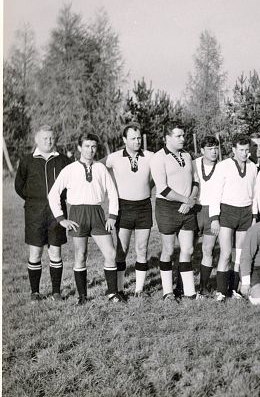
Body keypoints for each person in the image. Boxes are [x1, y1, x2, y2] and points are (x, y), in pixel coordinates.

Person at [48, 133, 121, 304]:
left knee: (110, 253)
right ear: (80, 147)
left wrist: (112, 216)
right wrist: (61, 218)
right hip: (78, 214)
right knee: (81, 254)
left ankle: (112, 293)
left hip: (97, 213)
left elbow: (113, 192)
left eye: (93, 146)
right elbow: (53, 194)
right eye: (87, 146)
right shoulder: (70, 169)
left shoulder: (100, 168)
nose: (90, 150)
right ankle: (82, 296)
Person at [15, 125, 73, 301]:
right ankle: (35, 293)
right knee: (35, 253)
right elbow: (19, 186)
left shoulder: (63, 160)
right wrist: (35, 200)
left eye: (51, 138)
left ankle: (56, 292)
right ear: (37, 140)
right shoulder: (27, 161)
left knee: (55, 252)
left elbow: (71, 185)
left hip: (57, 214)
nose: (49, 141)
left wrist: (58, 201)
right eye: (45, 138)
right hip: (34, 214)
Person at [150, 123, 199, 302]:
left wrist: (190, 199)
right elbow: (162, 189)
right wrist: (186, 200)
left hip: (187, 207)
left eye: (183, 135)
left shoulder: (187, 155)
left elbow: (196, 181)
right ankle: (168, 292)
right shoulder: (158, 158)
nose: (183, 139)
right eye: (178, 136)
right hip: (167, 208)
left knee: (188, 249)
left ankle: (189, 292)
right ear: (167, 138)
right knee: (169, 250)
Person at [105, 124, 155, 298]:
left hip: (144, 207)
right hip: (123, 207)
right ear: (124, 139)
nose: (137, 141)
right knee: (122, 249)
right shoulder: (114, 157)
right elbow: (98, 168)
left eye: (139, 138)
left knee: (142, 248)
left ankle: (139, 290)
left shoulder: (150, 156)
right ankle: (119, 289)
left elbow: (159, 174)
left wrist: (147, 187)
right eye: (133, 138)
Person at [208, 135, 258, 301]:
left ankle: (234, 289)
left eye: (247, 150)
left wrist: (254, 216)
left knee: (239, 254)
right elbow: (215, 194)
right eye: (241, 150)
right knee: (226, 253)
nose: (244, 153)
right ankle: (221, 291)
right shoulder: (223, 166)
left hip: (246, 212)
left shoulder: (253, 167)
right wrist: (214, 218)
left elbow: (255, 194)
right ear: (233, 150)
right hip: (227, 212)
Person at [193, 136, 221, 297]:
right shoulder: (194, 164)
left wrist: (216, 217)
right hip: (195, 210)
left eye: (216, 148)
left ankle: (203, 287)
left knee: (208, 250)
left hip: (213, 211)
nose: (214, 152)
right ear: (202, 150)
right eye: (210, 149)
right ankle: (182, 286)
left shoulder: (222, 167)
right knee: (187, 249)